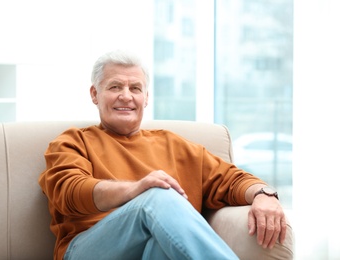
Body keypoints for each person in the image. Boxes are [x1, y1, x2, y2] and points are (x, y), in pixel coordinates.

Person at [38, 50, 288, 260]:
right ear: (95, 94)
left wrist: (263, 194)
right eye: (115, 86)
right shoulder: (72, 141)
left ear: (146, 98)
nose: (126, 95)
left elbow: (230, 179)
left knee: (162, 247)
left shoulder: (174, 145)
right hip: (88, 250)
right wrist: (137, 189)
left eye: (135, 88)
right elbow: (68, 192)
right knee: (157, 196)